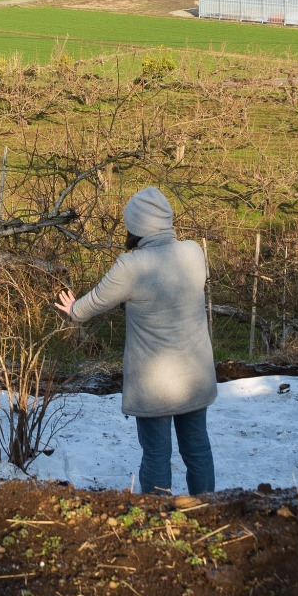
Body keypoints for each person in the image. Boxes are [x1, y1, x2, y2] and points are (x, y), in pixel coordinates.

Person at [54, 187, 217, 496]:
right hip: (196, 375)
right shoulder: (195, 252)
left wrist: (73, 310)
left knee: (157, 455)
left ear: (136, 227)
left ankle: (157, 520)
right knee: (197, 449)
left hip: (155, 385)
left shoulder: (131, 267)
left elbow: (91, 306)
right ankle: (207, 509)